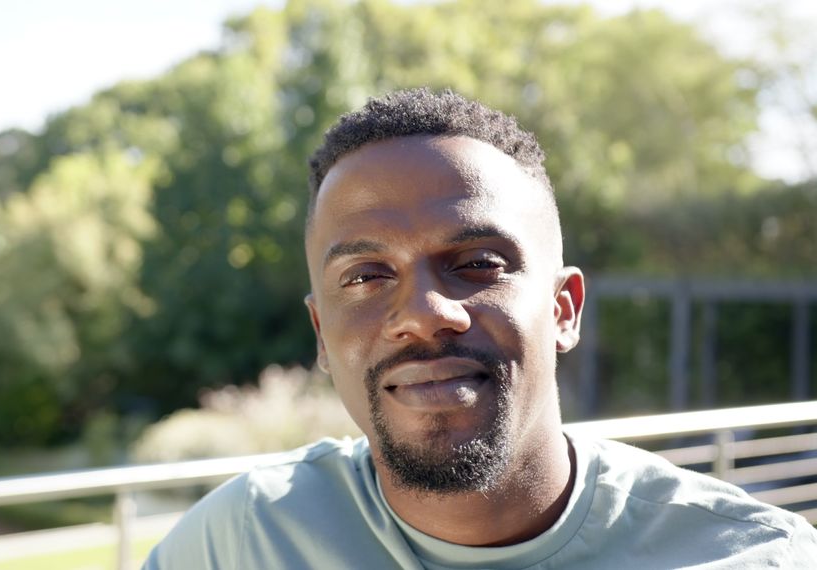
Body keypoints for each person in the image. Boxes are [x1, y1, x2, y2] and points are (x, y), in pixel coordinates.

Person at [144, 88, 817, 568]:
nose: (423, 312)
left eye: (477, 264)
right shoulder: (239, 544)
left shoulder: (754, 556)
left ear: (564, 309)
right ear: (322, 334)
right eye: (367, 275)